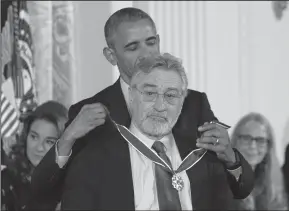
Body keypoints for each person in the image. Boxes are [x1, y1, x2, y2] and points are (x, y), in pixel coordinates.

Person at [31, 7, 254, 204]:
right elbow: (43, 192)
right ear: (111, 56)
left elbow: (241, 190)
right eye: (132, 47)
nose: (147, 53)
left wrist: (230, 157)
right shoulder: (90, 112)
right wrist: (67, 139)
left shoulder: (193, 104)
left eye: (151, 42)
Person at [61, 53, 236, 210]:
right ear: (131, 95)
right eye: (150, 94)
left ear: (182, 101)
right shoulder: (92, 161)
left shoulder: (203, 158)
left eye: (171, 95)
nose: (160, 107)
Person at [1, 101, 68, 211]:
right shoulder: (5, 180)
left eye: (49, 142)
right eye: (34, 137)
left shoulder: (75, 184)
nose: (39, 148)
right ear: (26, 136)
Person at [231, 112, 288, 210]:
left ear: (268, 147)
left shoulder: (272, 182)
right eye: (246, 138)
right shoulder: (220, 180)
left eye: (260, 140)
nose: (253, 146)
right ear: (235, 141)